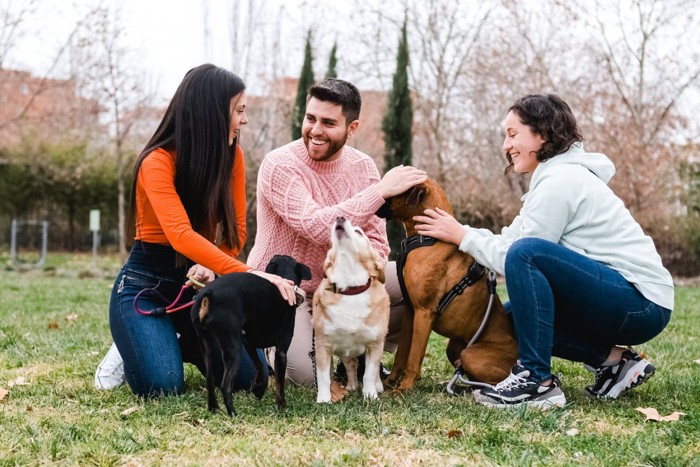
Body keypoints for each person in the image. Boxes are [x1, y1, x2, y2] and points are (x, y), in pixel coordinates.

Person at [414, 93, 673, 409]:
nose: (506, 146)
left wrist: (463, 236)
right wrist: (461, 233)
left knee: (527, 254)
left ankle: (537, 382)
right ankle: (615, 363)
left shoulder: (560, 181)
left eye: (513, 134)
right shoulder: (552, 178)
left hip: (641, 303)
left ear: (543, 133)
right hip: (623, 299)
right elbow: (511, 241)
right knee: (506, 322)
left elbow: (518, 256)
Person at [94, 64, 298, 397]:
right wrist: (256, 275)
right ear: (211, 113)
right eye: (239, 111)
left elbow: (237, 233)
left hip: (199, 290)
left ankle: (178, 339)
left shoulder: (232, 156)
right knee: (162, 385)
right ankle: (134, 341)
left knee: (247, 379)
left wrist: (215, 265)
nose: (243, 120)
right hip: (146, 286)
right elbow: (180, 235)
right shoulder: (156, 162)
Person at [246, 78, 427, 388]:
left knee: (421, 282)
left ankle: (360, 350)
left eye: (328, 122)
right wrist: (379, 192)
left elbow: (379, 245)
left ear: (352, 128)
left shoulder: (363, 167)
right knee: (305, 375)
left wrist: (352, 288)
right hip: (289, 292)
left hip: (340, 287)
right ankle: (275, 344)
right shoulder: (280, 165)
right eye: (310, 118)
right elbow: (315, 226)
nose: (315, 130)